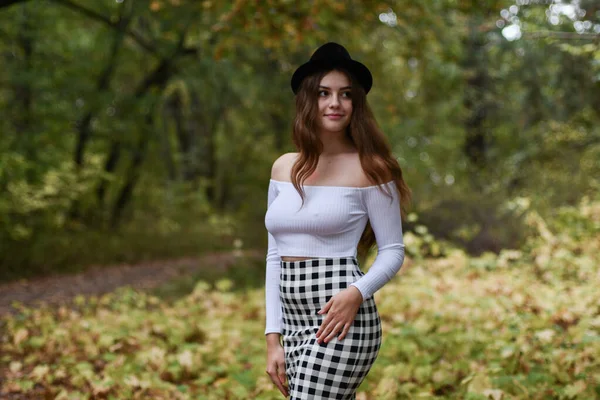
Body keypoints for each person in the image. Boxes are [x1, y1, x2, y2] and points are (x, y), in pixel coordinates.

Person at [264, 42, 411, 399]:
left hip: (341, 318)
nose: (334, 103)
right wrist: (273, 338)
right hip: (294, 323)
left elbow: (393, 250)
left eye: (345, 94)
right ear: (307, 101)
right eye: (324, 93)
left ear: (355, 104)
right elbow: (273, 256)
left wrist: (356, 294)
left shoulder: (371, 169)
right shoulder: (283, 167)